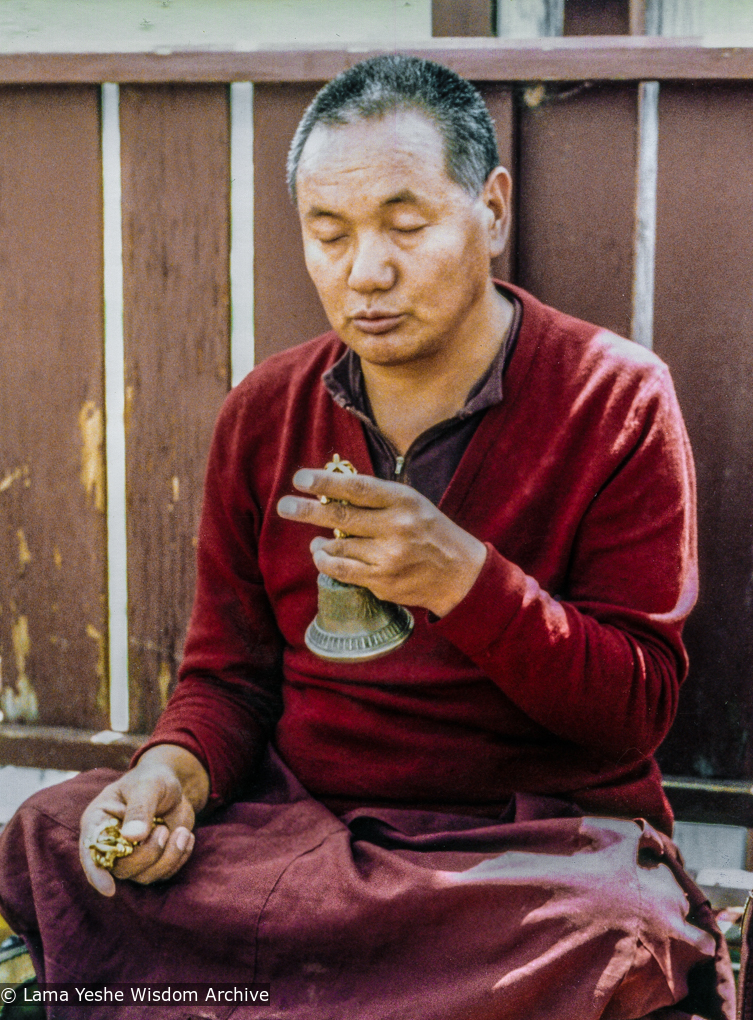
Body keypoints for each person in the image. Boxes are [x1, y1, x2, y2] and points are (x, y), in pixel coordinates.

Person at [0, 55, 735, 1019]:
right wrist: (168, 774)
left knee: (604, 928)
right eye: (329, 232)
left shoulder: (615, 399)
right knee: (55, 831)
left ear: (491, 210)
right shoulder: (267, 413)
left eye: (405, 224)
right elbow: (228, 681)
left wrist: (464, 580)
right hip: (302, 826)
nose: (366, 272)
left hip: (513, 856)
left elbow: (635, 711)